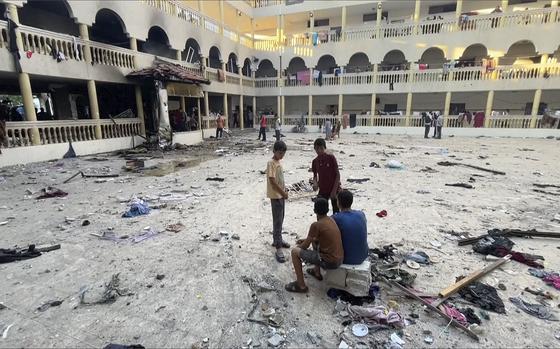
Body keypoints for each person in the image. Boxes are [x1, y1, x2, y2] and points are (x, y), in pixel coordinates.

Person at [285, 198, 343, 293]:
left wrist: (298, 247)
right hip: (339, 259)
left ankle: (301, 285)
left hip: (329, 261)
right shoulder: (331, 220)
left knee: (294, 252)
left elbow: (304, 247)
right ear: (327, 210)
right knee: (314, 241)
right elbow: (317, 238)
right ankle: (317, 272)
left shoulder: (316, 225)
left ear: (314, 211)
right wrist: (307, 239)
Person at [267, 140, 289, 263]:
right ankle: (278, 248)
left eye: (283, 154)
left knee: (281, 219)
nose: (281, 156)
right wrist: (282, 193)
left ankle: (278, 240)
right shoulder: (271, 163)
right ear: (274, 151)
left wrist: (285, 190)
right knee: (277, 221)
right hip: (276, 197)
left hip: (280, 196)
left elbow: (280, 180)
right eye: (280, 153)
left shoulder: (278, 162)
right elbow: (273, 181)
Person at [332, 190, 368, 265]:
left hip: (347, 259)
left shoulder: (335, 218)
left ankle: (317, 270)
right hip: (363, 255)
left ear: (338, 203)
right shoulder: (361, 214)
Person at [312, 138, 341, 214]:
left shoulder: (331, 158)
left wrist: (334, 191)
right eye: (317, 149)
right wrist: (315, 184)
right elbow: (315, 176)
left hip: (334, 187)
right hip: (323, 189)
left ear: (324, 148)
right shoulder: (315, 161)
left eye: (321, 148)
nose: (319, 151)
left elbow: (337, 174)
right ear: (315, 149)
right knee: (320, 211)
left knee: (336, 211)